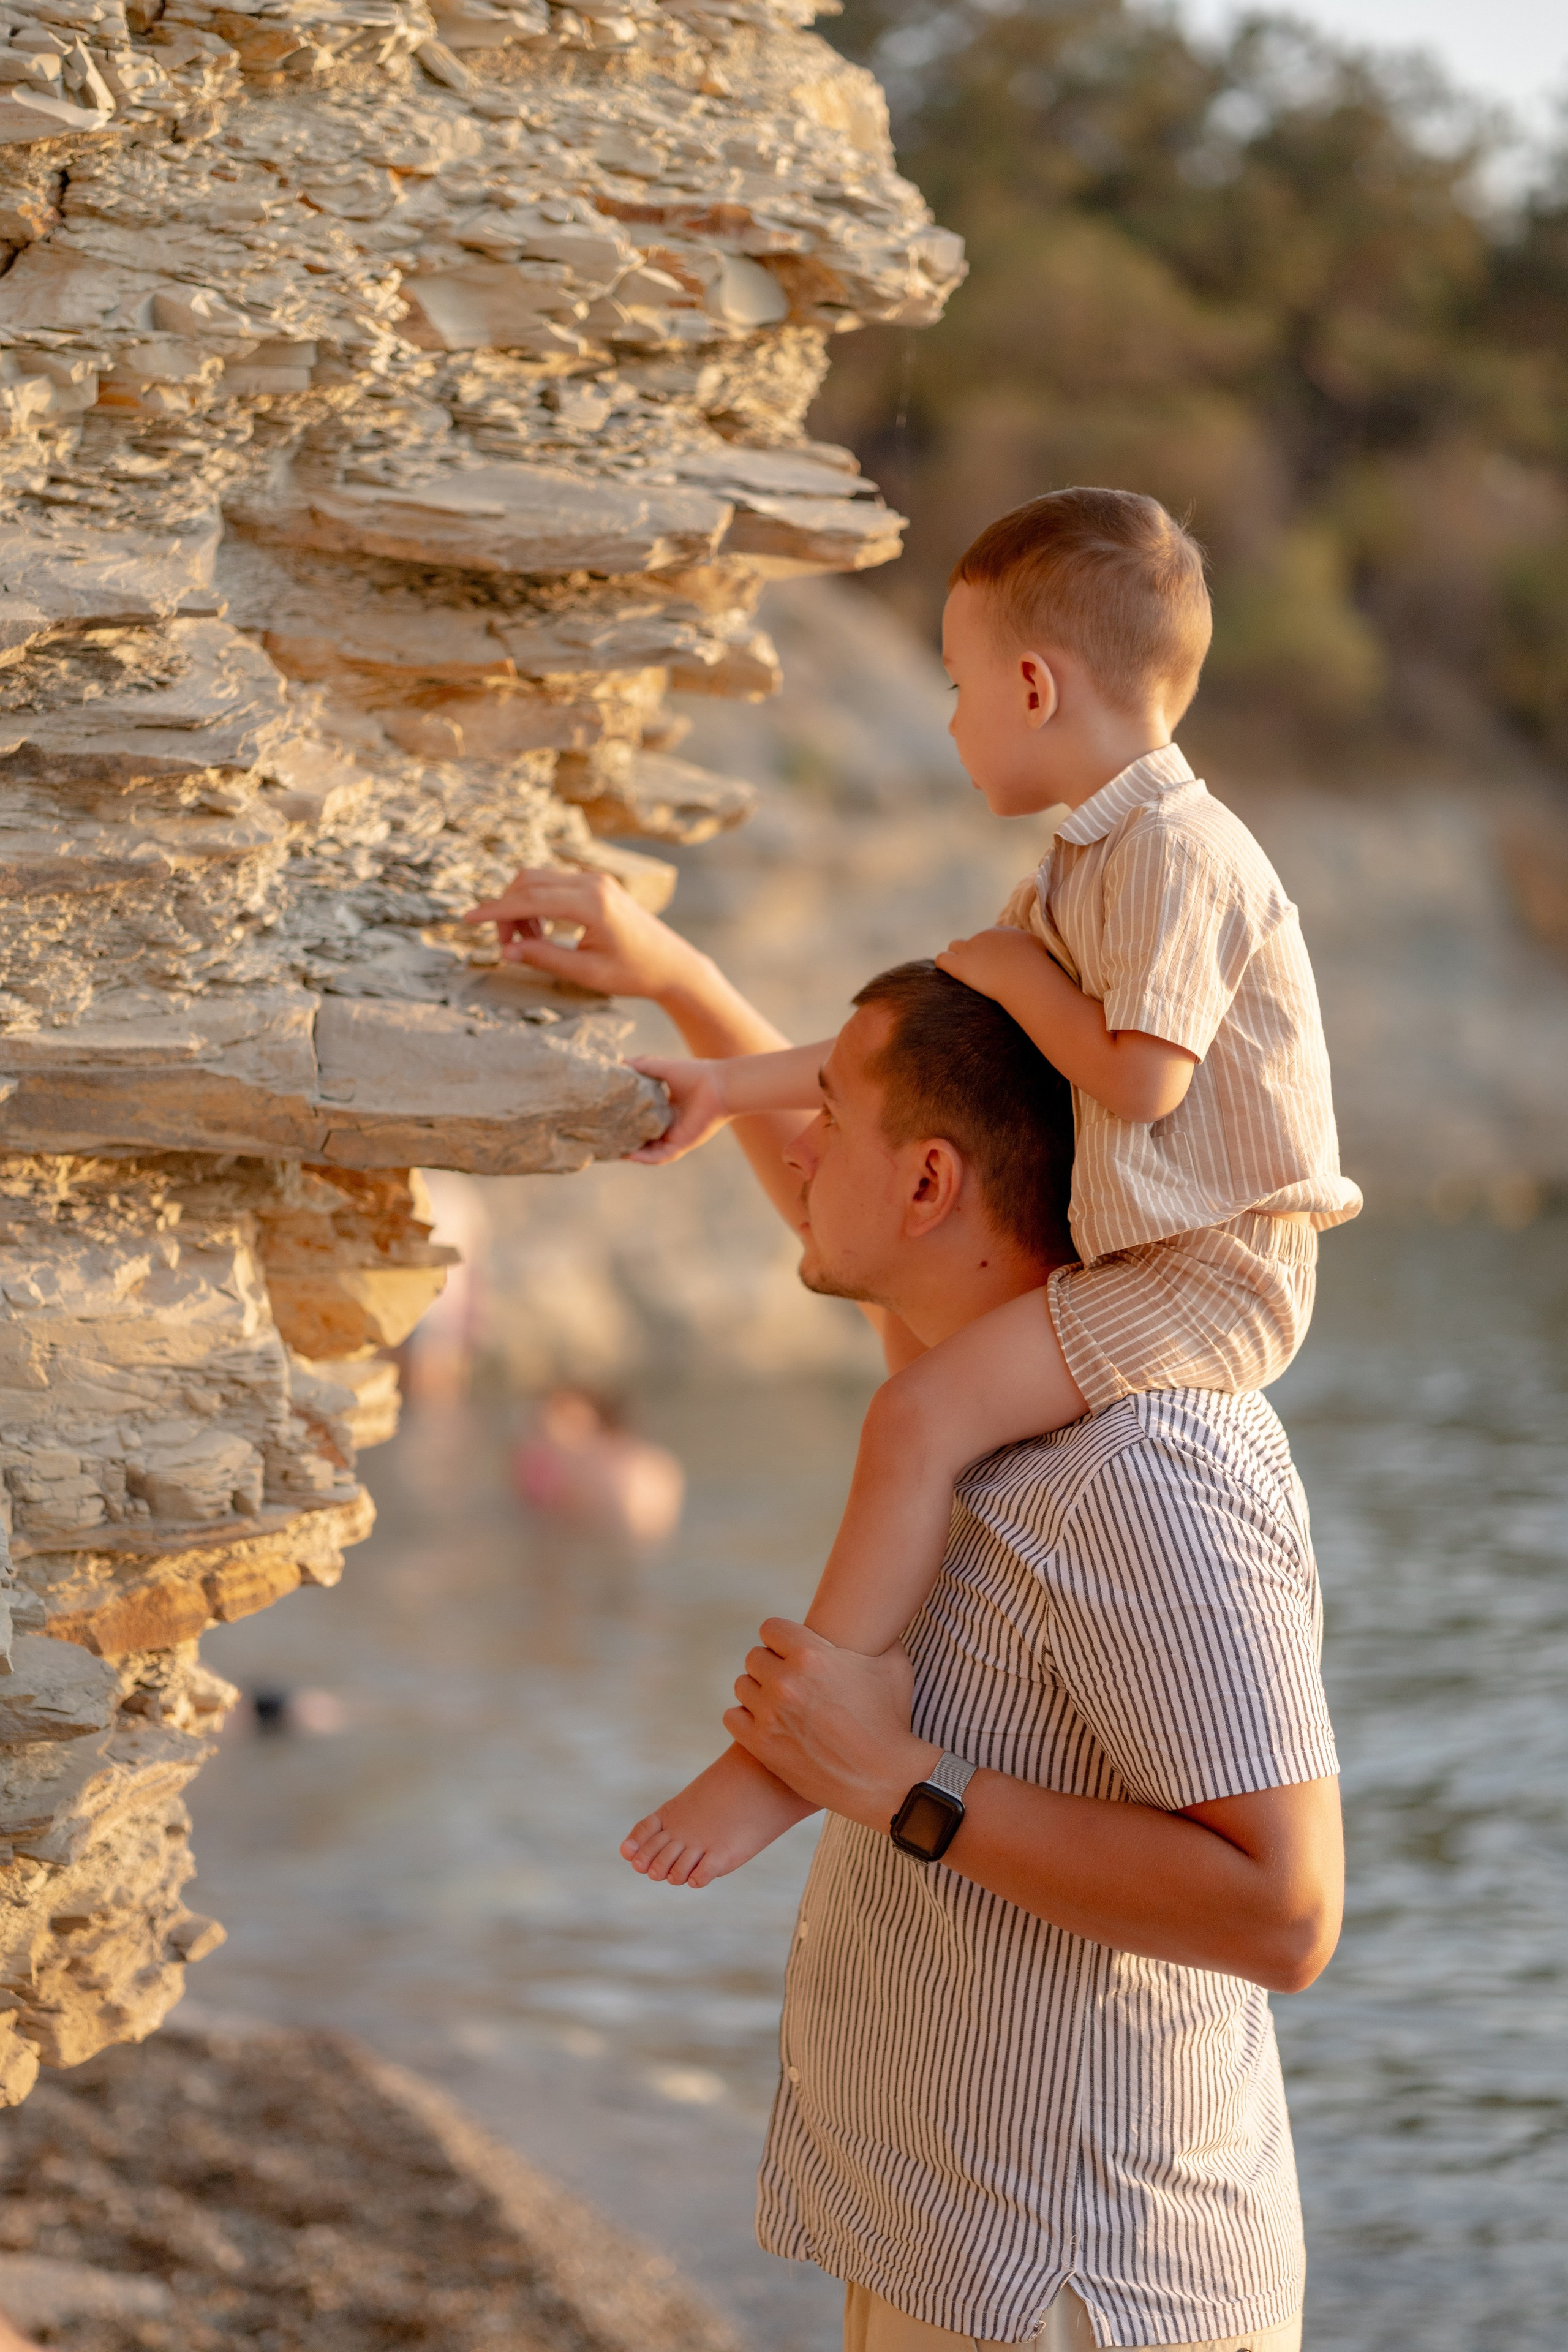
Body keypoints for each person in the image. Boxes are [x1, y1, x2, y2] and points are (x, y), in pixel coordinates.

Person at [464, 873, 1341, 2351]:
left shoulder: (1146, 1471)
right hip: (961, 2249)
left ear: (930, 1186)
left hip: (1086, 2285)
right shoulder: (972, 1377)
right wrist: (674, 973)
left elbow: (1286, 1909)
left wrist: (899, 1788)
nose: (803, 1158)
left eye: (836, 1132)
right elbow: (833, 1173)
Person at [477, 486, 1361, 1887]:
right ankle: (799, 1743)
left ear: (1030, 683)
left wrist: (1008, 977)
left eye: (955, 688)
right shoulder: (1086, 859)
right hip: (1144, 1260)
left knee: (917, 1410)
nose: (946, 722)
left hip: (1208, 1275)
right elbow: (896, 1071)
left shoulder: (1178, 853)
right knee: (923, 1397)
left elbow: (1141, 1083)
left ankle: (787, 1755)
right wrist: (724, 1068)